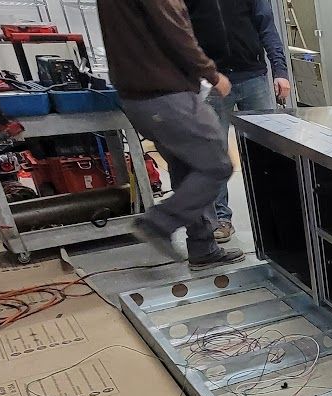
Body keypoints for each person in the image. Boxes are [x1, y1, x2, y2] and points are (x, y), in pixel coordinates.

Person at [98, 0, 245, 269]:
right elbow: (174, 28)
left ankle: (203, 249)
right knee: (216, 165)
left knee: (187, 168)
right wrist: (211, 74)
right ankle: (158, 223)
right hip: (165, 94)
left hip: (139, 96)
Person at [187, 0, 293, 242]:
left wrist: (280, 71)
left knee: (267, 151)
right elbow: (184, 37)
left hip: (254, 78)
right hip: (213, 83)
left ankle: (275, 215)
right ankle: (221, 219)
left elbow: (267, 28)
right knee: (214, 154)